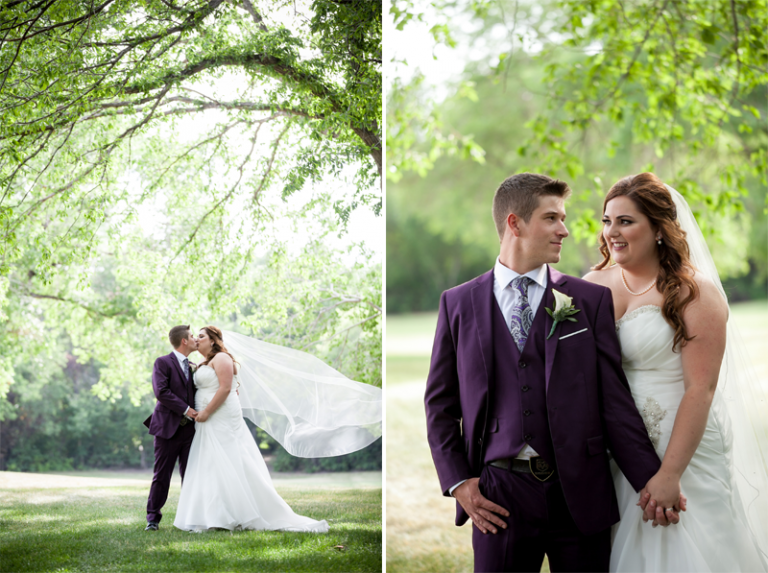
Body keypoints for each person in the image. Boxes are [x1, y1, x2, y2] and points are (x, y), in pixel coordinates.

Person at [424, 173, 682, 573]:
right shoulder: (457, 303)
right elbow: (440, 405)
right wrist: (459, 483)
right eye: (551, 218)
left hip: (579, 490)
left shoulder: (589, 299)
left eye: (563, 218)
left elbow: (613, 402)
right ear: (515, 223)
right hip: (499, 495)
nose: (565, 229)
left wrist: (653, 481)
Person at [584, 172, 768, 572]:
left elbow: (700, 390)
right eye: (607, 220)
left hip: (682, 442)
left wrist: (670, 473)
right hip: (618, 442)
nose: (612, 232)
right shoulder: (592, 285)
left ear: (659, 229)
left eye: (626, 221)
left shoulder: (693, 293)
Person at [172, 326, 383, 532]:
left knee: (229, 458)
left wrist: (207, 411)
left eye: (201, 336)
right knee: (211, 462)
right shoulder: (201, 363)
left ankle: (238, 512)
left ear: (213, 340)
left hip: (220, 415)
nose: (197, 339)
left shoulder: (222, 358)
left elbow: (226, 388)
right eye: (195, 336)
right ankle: (214, 514)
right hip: (207, 418)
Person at [143, 325, 200, 531]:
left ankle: (189, 518)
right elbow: (162, 392)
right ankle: (152, 519)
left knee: (191, 475)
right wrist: (187, 410)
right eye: (192, 336)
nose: (195, 339)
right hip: (167, 429)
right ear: (184, 341)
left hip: (191, 431)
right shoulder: (163, 362)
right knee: (162, 475)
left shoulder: (195, 366)